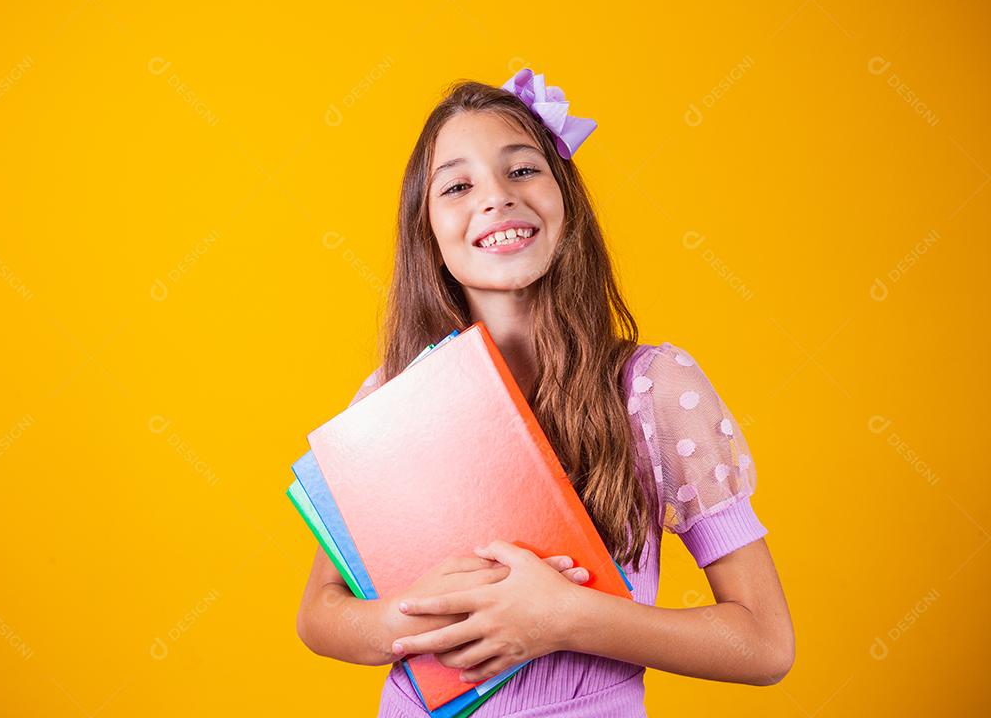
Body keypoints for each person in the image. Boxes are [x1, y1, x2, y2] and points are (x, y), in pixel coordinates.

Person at [296, 67, 795, 717]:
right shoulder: (395, 396)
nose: (496, 197)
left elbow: (764, 643)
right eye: (458, 185)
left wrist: (566, 618)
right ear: (429, 234)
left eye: (523, 170)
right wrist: (410, 617)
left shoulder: (652, 390)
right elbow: (320, 614)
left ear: (568, 201)